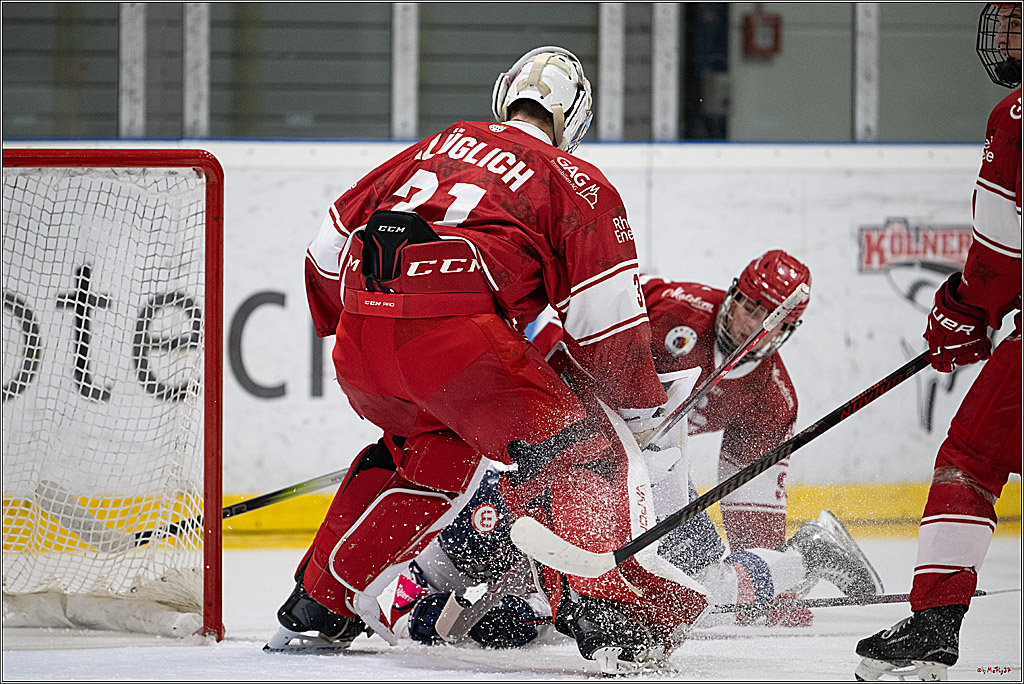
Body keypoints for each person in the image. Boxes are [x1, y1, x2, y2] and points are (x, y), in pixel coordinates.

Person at [266, 46, 711, 673]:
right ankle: (611, 613)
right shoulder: (572, 179)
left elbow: (327, 244)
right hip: (456, 341)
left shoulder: (437, 145)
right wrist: (636, 408)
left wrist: (362, 327)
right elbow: (604, 320)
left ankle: (320, 605)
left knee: (425, 457)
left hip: (364, 342)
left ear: (506, 96)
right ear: (575, 118)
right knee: (578, 449)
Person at [385, 252, 885, 646]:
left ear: (787, 331)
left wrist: (772, 584)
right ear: (732, 292)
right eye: (747, 304)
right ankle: (417, 588)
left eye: (765, 317)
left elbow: (750, 507)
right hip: (584, 445)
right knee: (499, 522)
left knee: (694, 594)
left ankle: (809, 554)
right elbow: (583, 340)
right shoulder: (674, 312)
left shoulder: (771, 399)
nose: (748, 321)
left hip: (661, 469)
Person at [855, 4, 1021, 681]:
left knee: (971, 460)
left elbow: (1000, 255)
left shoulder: (1016, 118)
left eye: (1019, 18)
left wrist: (962, 313)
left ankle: (932, 628)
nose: (1006, 35)